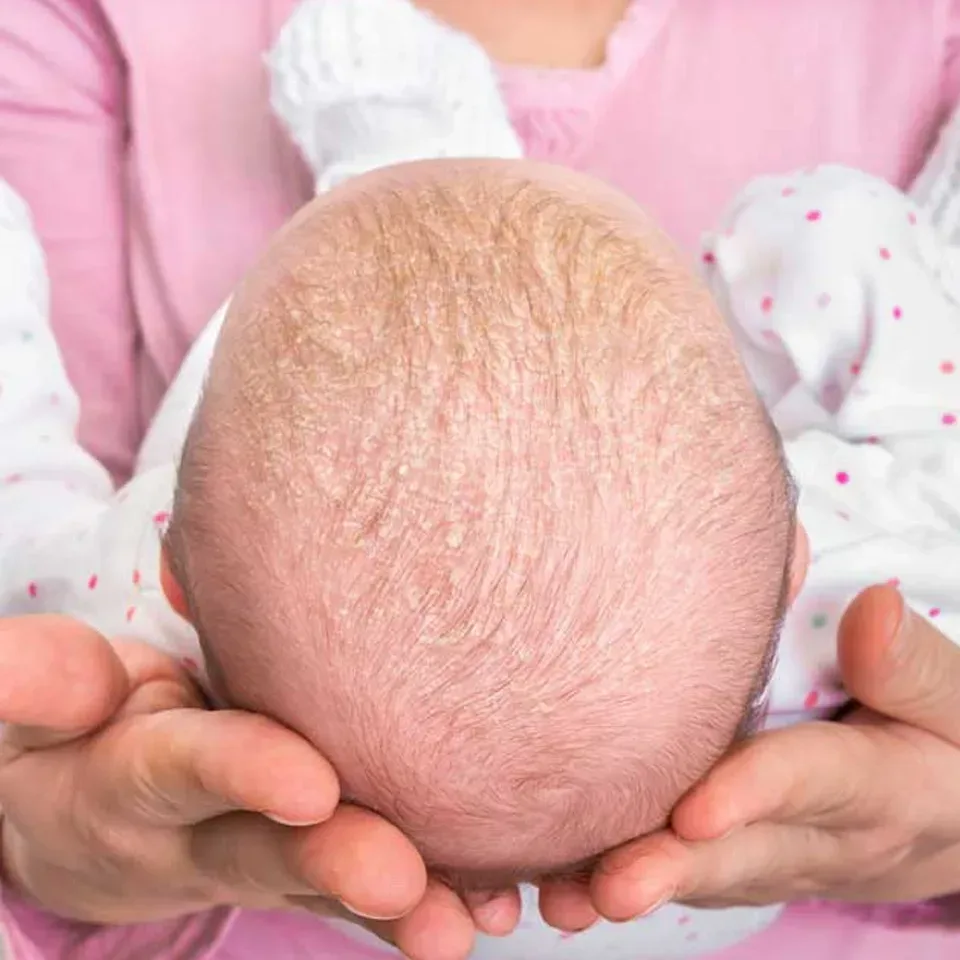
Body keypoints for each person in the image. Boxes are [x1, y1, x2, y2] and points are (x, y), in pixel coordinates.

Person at [3, 0, 960, 958]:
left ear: (173, 571)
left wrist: (27, 848)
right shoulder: (864, 601)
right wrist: (813, 230)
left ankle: (389, 161)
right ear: (797, 559)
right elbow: (913, 396)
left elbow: (22, 514)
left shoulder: (135, 633)